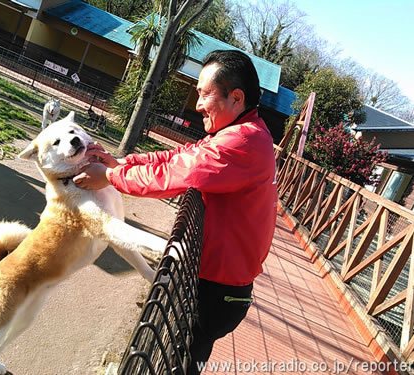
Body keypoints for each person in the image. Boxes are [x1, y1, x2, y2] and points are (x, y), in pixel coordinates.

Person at [73, 49, 277, 374]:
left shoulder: (244, 142)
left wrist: (110, 177)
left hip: (219, 292)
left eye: (204, 94)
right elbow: (178, 158)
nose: (197, 105)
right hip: (213, 281)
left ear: (235, 98)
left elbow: (178, 175)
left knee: (180, 363)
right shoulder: (234, 134)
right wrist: (123, 163)